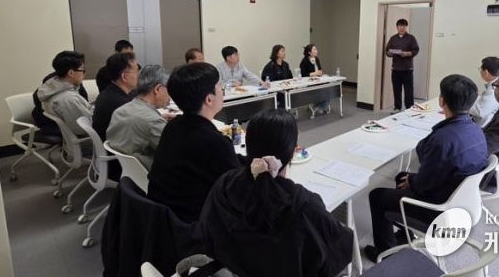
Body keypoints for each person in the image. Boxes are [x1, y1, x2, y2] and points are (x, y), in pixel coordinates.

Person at [199, 109, 353, 277]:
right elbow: (335, 256)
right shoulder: (306, 206)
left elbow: (208, 236)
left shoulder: (225, 184)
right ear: (293, 150)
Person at [364, 74, 488, 260]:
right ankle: (405, 233)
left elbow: (423, 183)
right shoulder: (476, 129)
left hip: (439, 207)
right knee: (402, 176)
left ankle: (384, 253)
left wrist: (412, 181)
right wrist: (411, 179)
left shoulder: (442, 139)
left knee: (376, 195)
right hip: (461, 197)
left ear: (441, 101)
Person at [148, 63, 242, 223]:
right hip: (195, 224)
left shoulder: (173, 126)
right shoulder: (214, 142)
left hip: (164, 219)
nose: (222, 90)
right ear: (209, 99)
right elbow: (238, 192)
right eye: (220, 86)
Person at [106, 65, 172, 170]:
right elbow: (176, 151)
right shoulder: (152, 121)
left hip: (123, 169)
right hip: (151, 172)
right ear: (158, 89)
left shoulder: (120, 111)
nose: (170, 95)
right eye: (169, 89)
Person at [37, 51, 92, 137]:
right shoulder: (69, 99)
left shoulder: (50, 88)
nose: (85, 73)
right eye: (83, 70)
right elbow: (83, 129)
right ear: (71, 73)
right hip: (86, 137)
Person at [92, 52, 139, 142]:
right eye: (136, 71)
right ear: (124, 76)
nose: (138, 75)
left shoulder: (110, 92)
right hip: (116, 146)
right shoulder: (120, 103)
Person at [32, 70, 88, 137]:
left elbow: (84, 100)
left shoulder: (74, 84)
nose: (84, 74)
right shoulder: (52, 88)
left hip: (65, 120)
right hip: (50, 124)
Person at [385, 19, 420, 112]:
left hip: (407, 69)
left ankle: (410, 108)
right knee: (396, 90)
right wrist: (389, 53)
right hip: (396, 69)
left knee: (409, 90)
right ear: (397, 27)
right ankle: (397, 107)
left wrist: (407, 53)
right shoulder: (393, 38)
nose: (402, 28)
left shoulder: (411, 38)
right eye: (400, 26)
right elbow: (387, 51)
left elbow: (416, 50)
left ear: (406, 27)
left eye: (404, 26)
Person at [470, 56, 499, 126]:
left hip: (485, 127)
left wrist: (461, 105)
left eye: (480, 69)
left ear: (486, 72)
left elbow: (480, 111)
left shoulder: (494, 89)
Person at [299, 44, 330, 114]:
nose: (317, 51)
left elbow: (319, 69)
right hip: (309, 83)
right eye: (314, 49)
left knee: (328, 88)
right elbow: (303, 75)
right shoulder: (304, 61)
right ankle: (319, 107)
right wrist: (314, 73)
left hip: (318, 81)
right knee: (323, 90)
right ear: (309, 52)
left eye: (316, 49)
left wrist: (320, 72)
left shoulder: (317, 59)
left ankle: (320, 106)